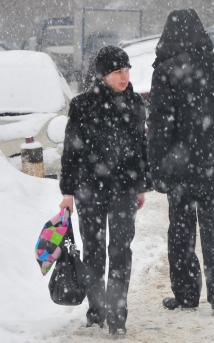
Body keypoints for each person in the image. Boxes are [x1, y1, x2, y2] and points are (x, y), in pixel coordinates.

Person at [147, 9, 214, 315]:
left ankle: (186, 294)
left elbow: (159, 126)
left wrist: (158, 167)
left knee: (181, 232)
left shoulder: (166, 72)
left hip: (180, 168)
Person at [59, 46, 151, 336]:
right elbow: (71, 152)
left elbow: (140, 148)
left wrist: (140, 186)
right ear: (102, 76)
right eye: (116, 72)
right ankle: (96, 308)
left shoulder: (135, 103)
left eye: (126, 70)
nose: (124, 76)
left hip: (124, 189)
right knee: (95, 252)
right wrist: (68, 191)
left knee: (121, 250)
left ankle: (117, 314)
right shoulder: (82, 105)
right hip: (90, 189)